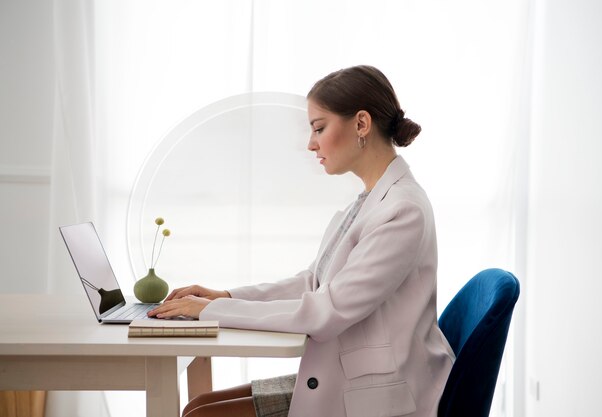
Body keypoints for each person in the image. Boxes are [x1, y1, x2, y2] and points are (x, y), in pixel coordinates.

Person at [148, 65, 455, 417]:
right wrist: (226, 297)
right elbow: (313, 282)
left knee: (200, 415)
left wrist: (210, 312)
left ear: (361, 124)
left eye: (319, 128)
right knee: (198, 406)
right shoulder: (369, 201)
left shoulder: (403, 211)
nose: (311, 144)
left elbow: (327, 310)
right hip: (347, 371)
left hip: (381, 393)